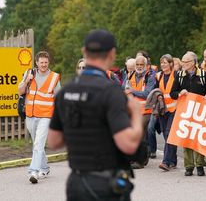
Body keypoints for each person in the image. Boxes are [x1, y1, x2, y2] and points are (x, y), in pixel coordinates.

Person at [47, 29, 143, 201]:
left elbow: (53, 142)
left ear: (84, 52)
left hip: (76, 183)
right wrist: (136, 114)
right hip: (105, 183)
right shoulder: (111, 91)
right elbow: (128, 144)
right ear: (112, 54)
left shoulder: (66, 91)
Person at [18, 51, 61, 184]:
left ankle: (34, 172)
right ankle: (45, 167)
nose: (44, 65)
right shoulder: (29, 73)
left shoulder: (54, 77)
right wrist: (27, 80)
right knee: (37, 143)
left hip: (46, 115)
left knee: (38, 143)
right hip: (30, 115)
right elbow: (20, 91)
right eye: (41, 62)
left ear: (49, 63)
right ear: (37, 62)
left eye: (46, 62)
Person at [170, 51, 206, 176]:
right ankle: (189, 166)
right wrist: (179, 93)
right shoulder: (179, 75)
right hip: (185, 112)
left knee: (198, 138)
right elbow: (173, 93)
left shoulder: (203, 75)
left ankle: (200, 165)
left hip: (199, 112)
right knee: (186, 138)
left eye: (186, 61)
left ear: (194, 62)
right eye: (183, 61)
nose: (183, 63)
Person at [124, 55, 155, 169]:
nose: (139, 67)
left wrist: (132, 91)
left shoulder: (150, 77)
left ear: (146, 66)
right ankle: (135, 158)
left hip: (146, 110)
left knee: (140, 134)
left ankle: (140, 161)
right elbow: (124, 89)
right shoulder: (130, 75)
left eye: (142, 65)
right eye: (137, 64)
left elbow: (147, 94)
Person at [154, 54, 178, 171]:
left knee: (169, 134)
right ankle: (173, 160)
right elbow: (155, 91)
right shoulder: (158, 76)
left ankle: (166, 162)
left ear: (171, 64)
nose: (163, 65)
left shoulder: (177, 75)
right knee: (166, 135)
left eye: (165, 62)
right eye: (161, 63)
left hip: (174, 110)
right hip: (162, 110)